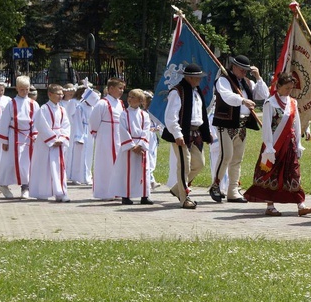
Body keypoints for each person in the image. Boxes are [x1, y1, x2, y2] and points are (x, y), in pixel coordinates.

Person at [244, 73, 311, 217]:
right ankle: (270, 205)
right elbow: (267, 127)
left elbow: (297, 124)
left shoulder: (293, 103)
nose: (289, 91)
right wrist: (269, 146)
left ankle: (301, 204)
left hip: (289, 145)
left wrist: (298, 144)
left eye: (291, 88)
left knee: (293, 172)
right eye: (286, 88)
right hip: (274, 145)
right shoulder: (270, 103)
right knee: (272, 173)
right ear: (278, 86)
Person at [209, 55, 269, 203]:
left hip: (241, 125)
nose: (244, 72)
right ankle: (215, 185)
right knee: (226, 156)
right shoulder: (224, 80)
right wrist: (242, 100)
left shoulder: (247, 82)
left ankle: (233, 190)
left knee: (237, 159)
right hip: (226, 123)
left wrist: (259, 78)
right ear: (233, 67)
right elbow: (227, 96)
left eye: (246, 70)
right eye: (242, 69)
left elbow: (264, 94)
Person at [162, 63, 212, 209]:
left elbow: (201, 114)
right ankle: (184, 198)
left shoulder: (196, 92)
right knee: (184, 166)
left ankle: (178, 189)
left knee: (199, 163)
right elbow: (171, 116)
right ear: (190, 77)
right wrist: (177, 134)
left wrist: (206, 133)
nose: (200, 80)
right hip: (182, 133)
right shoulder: (177, 92)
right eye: (197, 78)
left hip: (196, 133)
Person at [0, 76, 40, 199]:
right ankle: (3, 185)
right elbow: (4, 122)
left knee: (26, 163)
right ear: (16, 89)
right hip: (13, 135)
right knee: (9, 163)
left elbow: (37, 121)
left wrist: (35, 135)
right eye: (21, 90)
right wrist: (4, 140)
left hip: (27, 137)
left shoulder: (33, 104)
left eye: (26, 89)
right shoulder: (11, 104)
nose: (24, 92)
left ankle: (26, 187)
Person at [110, 89, 153, 205]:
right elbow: (122, 130)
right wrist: (132, 146)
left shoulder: (144, 115)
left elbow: (146, 130)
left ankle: (144, 195)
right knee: (127, 171)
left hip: (141, 147)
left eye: (133, 97)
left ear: (140, 100)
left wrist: (141, 145)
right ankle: (126, 195)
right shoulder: (124, 114)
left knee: (143, 171)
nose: (130, 99)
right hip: (129, 147)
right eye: (129, 96)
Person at [29, 84, 71, 202]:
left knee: (59, 167)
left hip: (59, 142)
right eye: (58, 94)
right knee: (45, 167)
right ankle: (43, 192)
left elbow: (66, 125)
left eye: (62, 94)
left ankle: (60, 192)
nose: (60, 96)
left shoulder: (62, 109)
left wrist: (62, 138)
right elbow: (41, 125)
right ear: (50, 94)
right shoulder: (43, 109)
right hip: (45, 143)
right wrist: (52, 139)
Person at [88, 77, 125, 200]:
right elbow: (93, 120)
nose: (121, 91)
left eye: (123, 88)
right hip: (105, 136)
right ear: (111, 89)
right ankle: (104, 192)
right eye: (119, 88)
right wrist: (98, 133)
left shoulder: (120, 103)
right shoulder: (102, 103)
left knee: (118, 163)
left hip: (118, 136)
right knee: (105, 163)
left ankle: (117, 190)